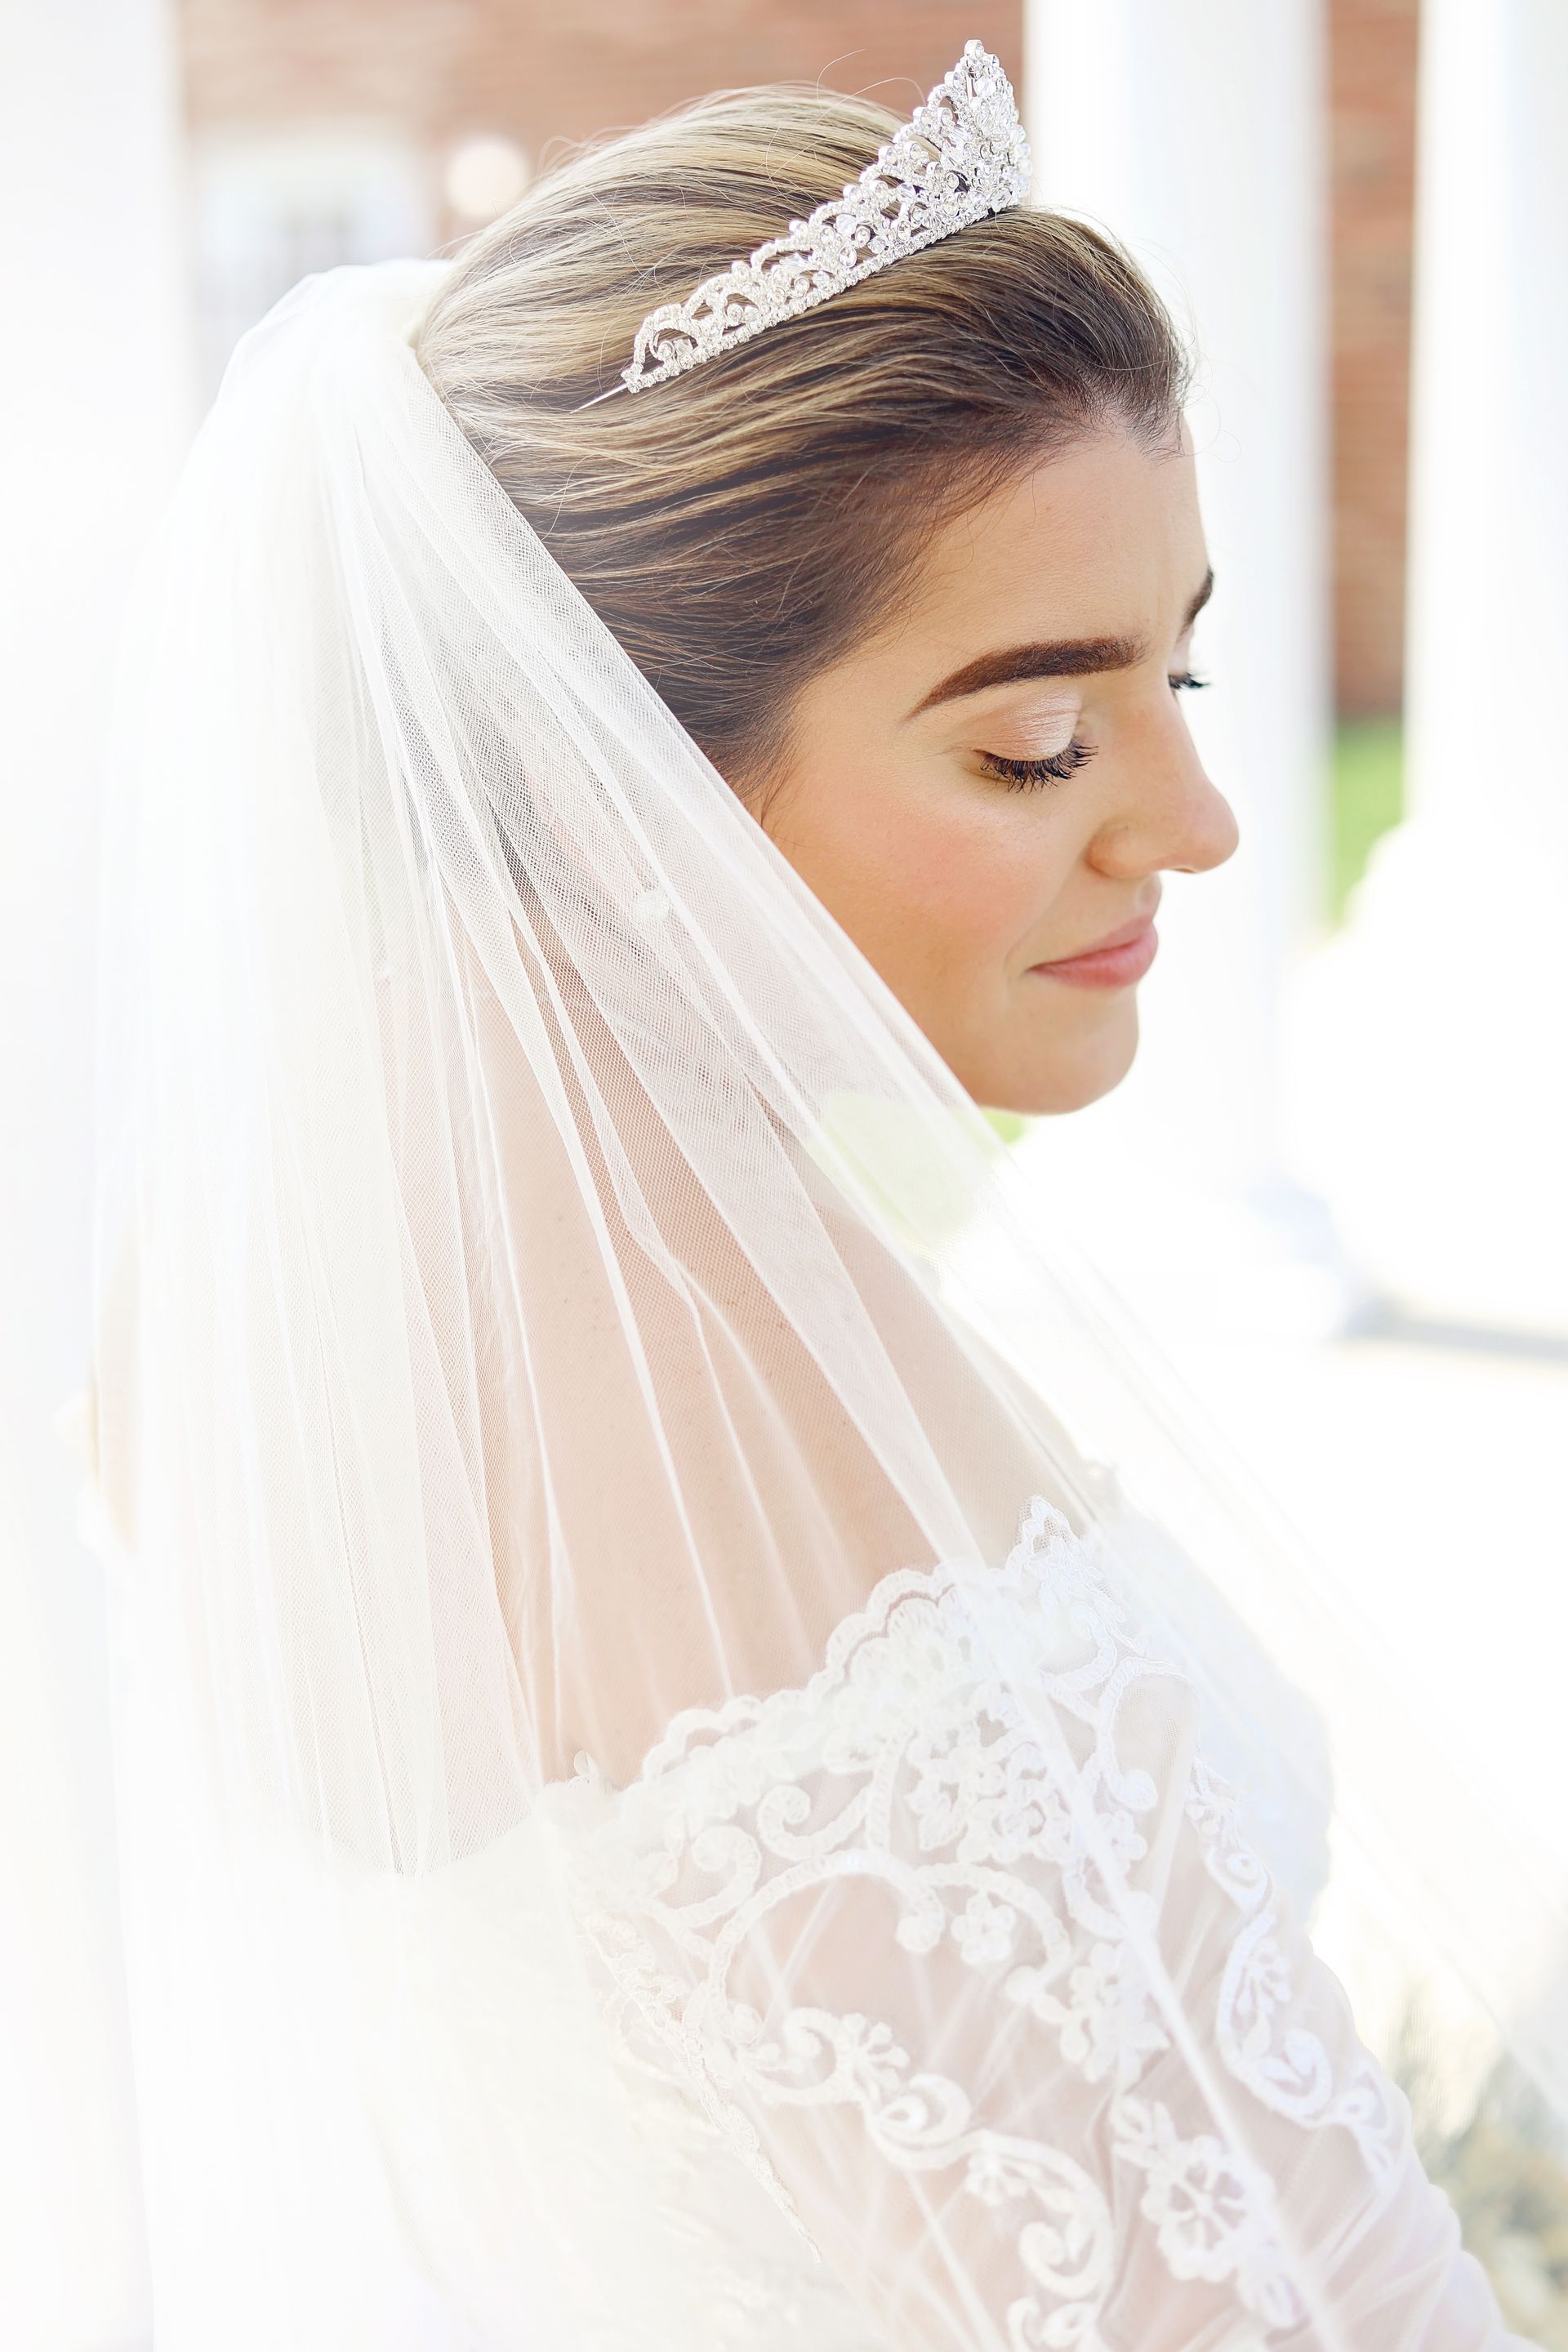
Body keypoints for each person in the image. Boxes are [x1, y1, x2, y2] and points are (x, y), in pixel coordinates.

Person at [82, 42, 1559, 2350]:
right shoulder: (778, 1483)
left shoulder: (234, 1289)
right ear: (608, 779)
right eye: (1038, 738)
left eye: (1180, 671)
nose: (1200, 820)